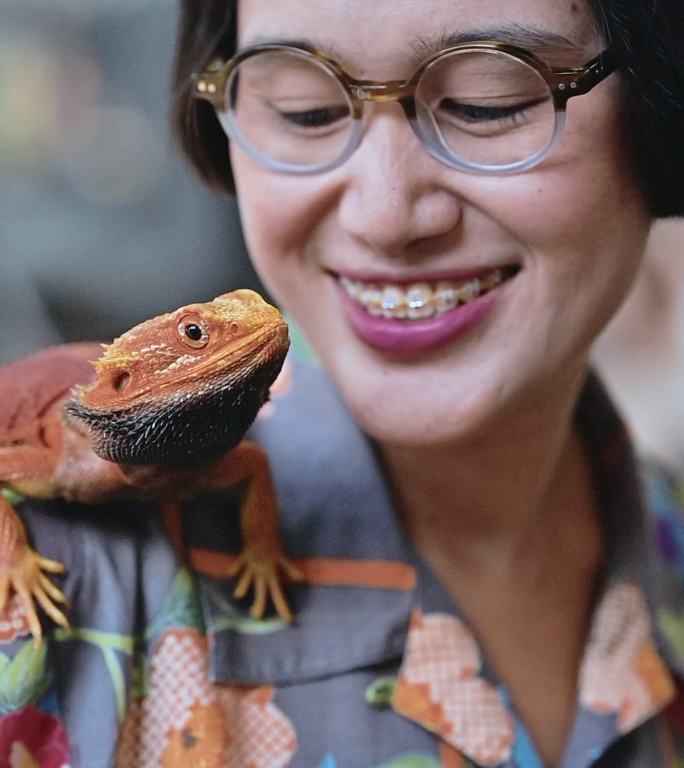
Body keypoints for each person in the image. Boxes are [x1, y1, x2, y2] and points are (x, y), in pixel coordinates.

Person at [1, 0, 683, 766]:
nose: (386, 215)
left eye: (488, 102)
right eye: (307, 111)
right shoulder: (55, 590)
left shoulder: (669, 536)